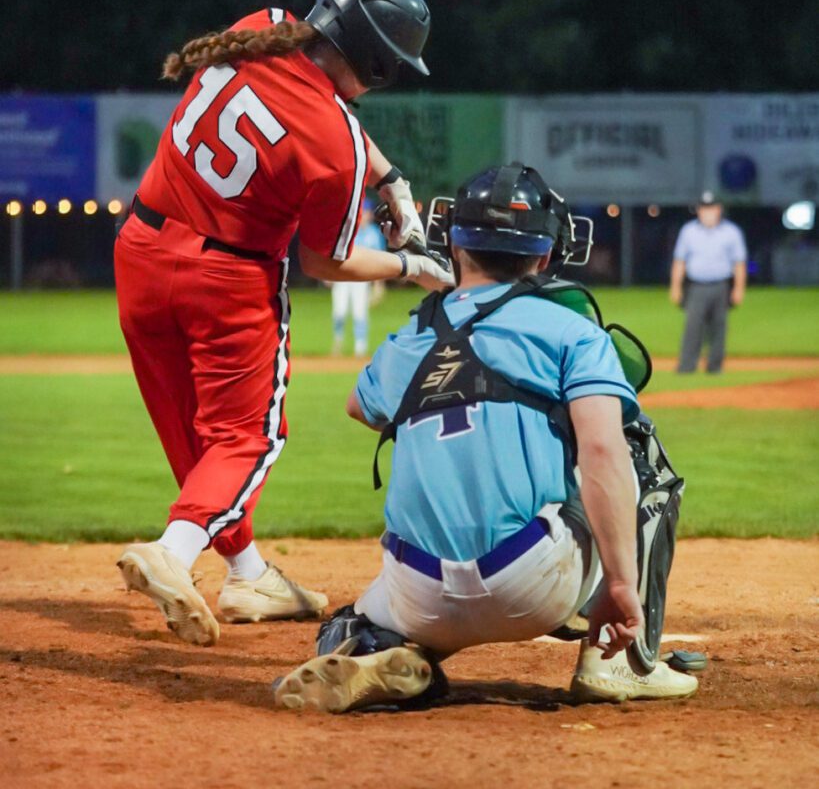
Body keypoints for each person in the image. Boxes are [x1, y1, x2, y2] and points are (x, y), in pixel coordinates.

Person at [272, 164, 700, 712]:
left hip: (418, 591)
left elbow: (361, 406)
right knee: (631, 449)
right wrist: (618, 584)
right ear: (546, 256)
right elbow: (600, 453)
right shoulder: (570, 331)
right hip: (532, 582)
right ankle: (617, 658)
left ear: (452, 244)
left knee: (352, 619)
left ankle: (374, 649)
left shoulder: (412, 334)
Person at [114, 0, 452, 647]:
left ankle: (248, 574)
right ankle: (172, 553)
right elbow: (327, 263)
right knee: (248, 438)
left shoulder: (259, 28)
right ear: (376, 64)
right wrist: (413, 264)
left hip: (141, 250)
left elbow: (320, 118)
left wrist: (389, 180)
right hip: (226, 281)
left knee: (195, 435)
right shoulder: (331, 139)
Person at [670, 190, 748, 374]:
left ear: (719, 209)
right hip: (696, 286)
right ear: (698, 210)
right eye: (704, 208)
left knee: (719, 327)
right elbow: (679, 261)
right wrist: (675, 287)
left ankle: (715, 367)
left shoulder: (731, 232)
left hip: (721, 285)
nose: (708, 212)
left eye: (711, 208)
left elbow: (739, 263)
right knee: (693, 326)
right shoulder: (689, 231)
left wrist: (738, 288)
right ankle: (687, 366)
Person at [330, 199, 385, 357]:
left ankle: (360, 347)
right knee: (339, 312)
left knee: (360, 313)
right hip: (342, 278)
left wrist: (378, 285)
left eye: (366, 212)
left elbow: (379, 260)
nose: (364, 216)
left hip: (362, 279)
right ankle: (338, 342)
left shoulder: (374, 233)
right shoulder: (346, 230)